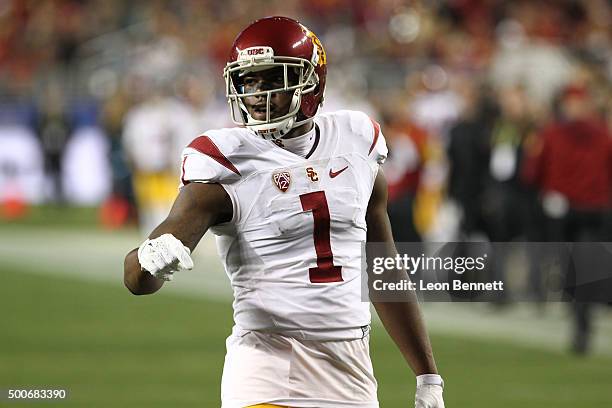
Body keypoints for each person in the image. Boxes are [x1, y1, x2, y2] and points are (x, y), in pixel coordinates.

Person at [124, 16, 445, 408]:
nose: (257, 94)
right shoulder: (226, 161)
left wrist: (428, 374)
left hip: (353, 374)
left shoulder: (356, 142)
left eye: (272, 79)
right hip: (266, 367)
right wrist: (149, 260)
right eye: (249, 81)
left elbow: (381, 267)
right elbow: (137, 280)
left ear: (311, 83)